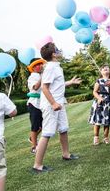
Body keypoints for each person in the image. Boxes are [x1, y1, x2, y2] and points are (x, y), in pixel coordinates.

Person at [32, 42, 82, 173]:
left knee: (63, 129)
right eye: (57, 49)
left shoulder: (55, 67)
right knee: (47, 133)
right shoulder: (49, 68)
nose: (59, 51)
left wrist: (69, 82)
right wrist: (53, 103)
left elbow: (56, 85)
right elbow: (44, 87)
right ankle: (37, 165)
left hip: (59, 103)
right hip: (51, 105)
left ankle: (66, 154)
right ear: (53, 54)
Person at [88, 65, 110, 145]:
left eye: (107, 68)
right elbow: (94, 92)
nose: (105, 69)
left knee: (107, 121)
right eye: (103, 68)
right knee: (97, 121)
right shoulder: (99, 81)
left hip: (108, 102)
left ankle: (106, 137)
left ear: (109, 71)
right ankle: (96, 137)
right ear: (101, 72)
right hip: (100, 103)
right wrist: (99, 98)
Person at [26, 58, 45, 153]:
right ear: (33, 67)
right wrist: (43, 77)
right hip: (34, 103)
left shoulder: (41, 75)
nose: (41, 65)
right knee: (35, 126)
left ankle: (31, 138)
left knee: (42, 126)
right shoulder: (32, 77)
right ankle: (34, 147)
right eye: (38, 64)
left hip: (42, 103)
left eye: (41, 63)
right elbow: (36, 87)